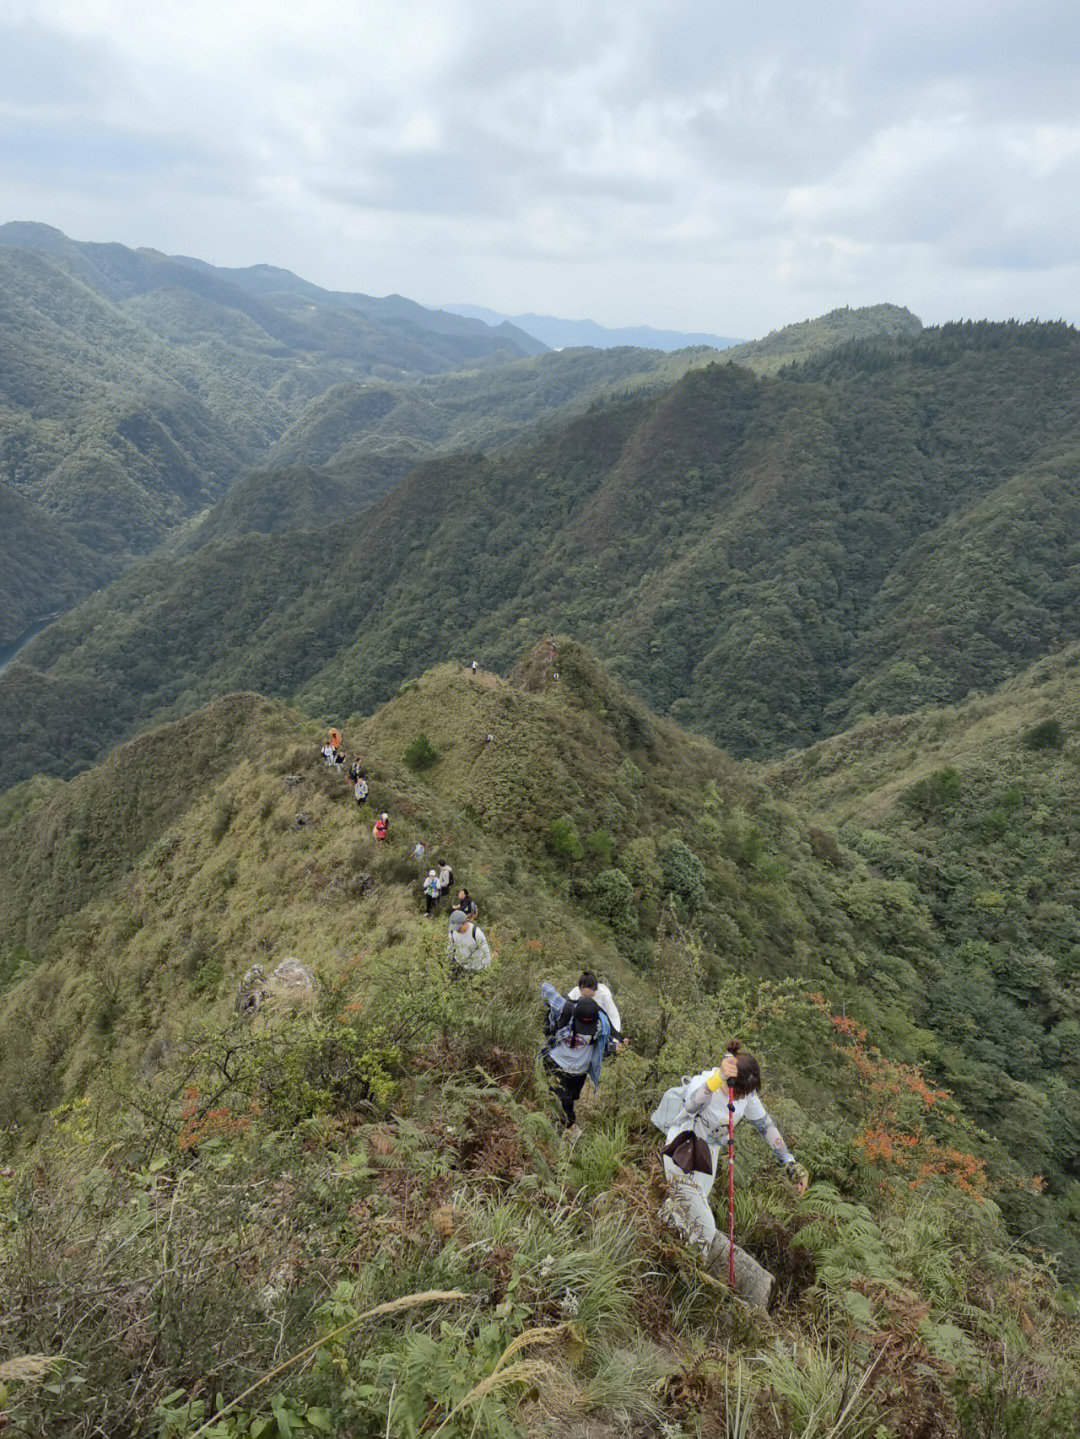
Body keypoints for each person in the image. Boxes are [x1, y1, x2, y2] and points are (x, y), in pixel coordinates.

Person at [657, 1042, 808, 1257]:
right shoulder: (706, 1083)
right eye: (737, 1092)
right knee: (705, 1229)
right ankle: (690, 1268)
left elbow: (766, 1126)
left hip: (706, 1161)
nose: (739, 1098)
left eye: (744, 1094)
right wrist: (715, 1081)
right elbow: (690, 1106)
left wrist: (789, 1161)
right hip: (682, 1154)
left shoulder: (747, 1097)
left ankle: (659, 1248)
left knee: (679, 1213)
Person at [539, 982, 619, 1131]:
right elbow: (545, 987)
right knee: (560, 1098)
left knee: (571, 1098)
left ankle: (564, 1124)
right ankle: (558, 1131)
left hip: (579, 1072)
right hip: (557, 1063)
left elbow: (603, 1045)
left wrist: (616, 1047)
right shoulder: (565, 1011)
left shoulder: (600, 1026)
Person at [568, 971, 623, 1040]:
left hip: (598, 1027)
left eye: (591, 996)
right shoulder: (575, 992)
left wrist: (614, 1037)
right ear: (580, 989)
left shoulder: (604, 996)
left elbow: (614, 1016)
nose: (587, 999)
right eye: (584, 996)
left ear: (595, 990)